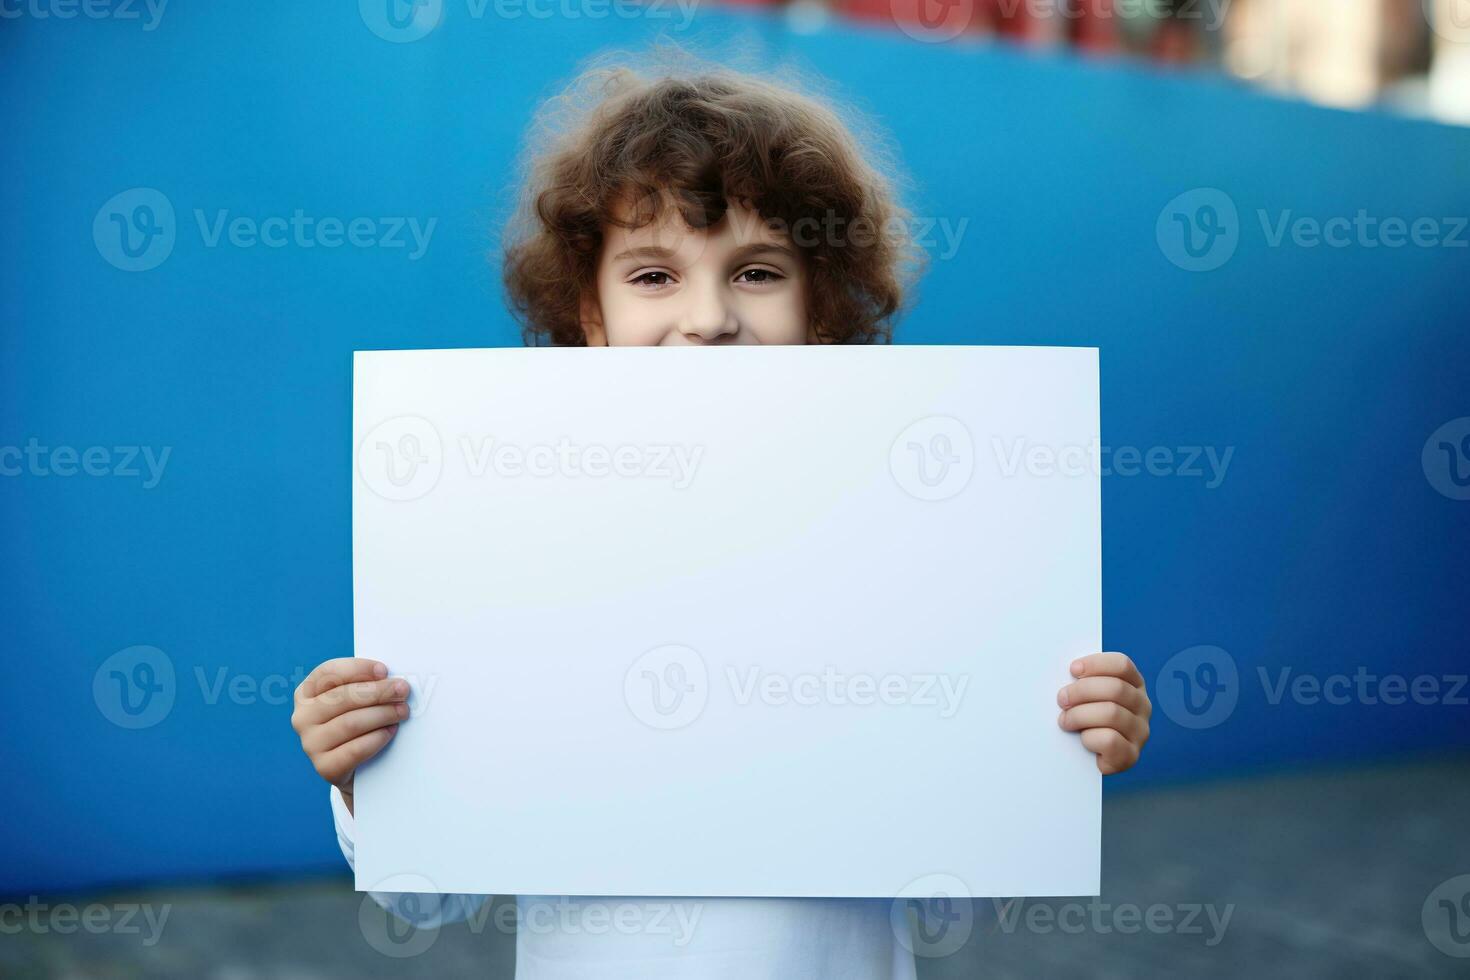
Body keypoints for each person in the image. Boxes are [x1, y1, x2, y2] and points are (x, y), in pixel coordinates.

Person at [290, 55, 1152, 979]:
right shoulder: (517, 553)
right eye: (655, 274)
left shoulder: (895, 552)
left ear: (821, 312)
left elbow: (947, 891)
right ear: (591, 314)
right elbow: (428, 894)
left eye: (756, 271)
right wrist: (359, 776)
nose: (706, 318)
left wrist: (1055, 746)